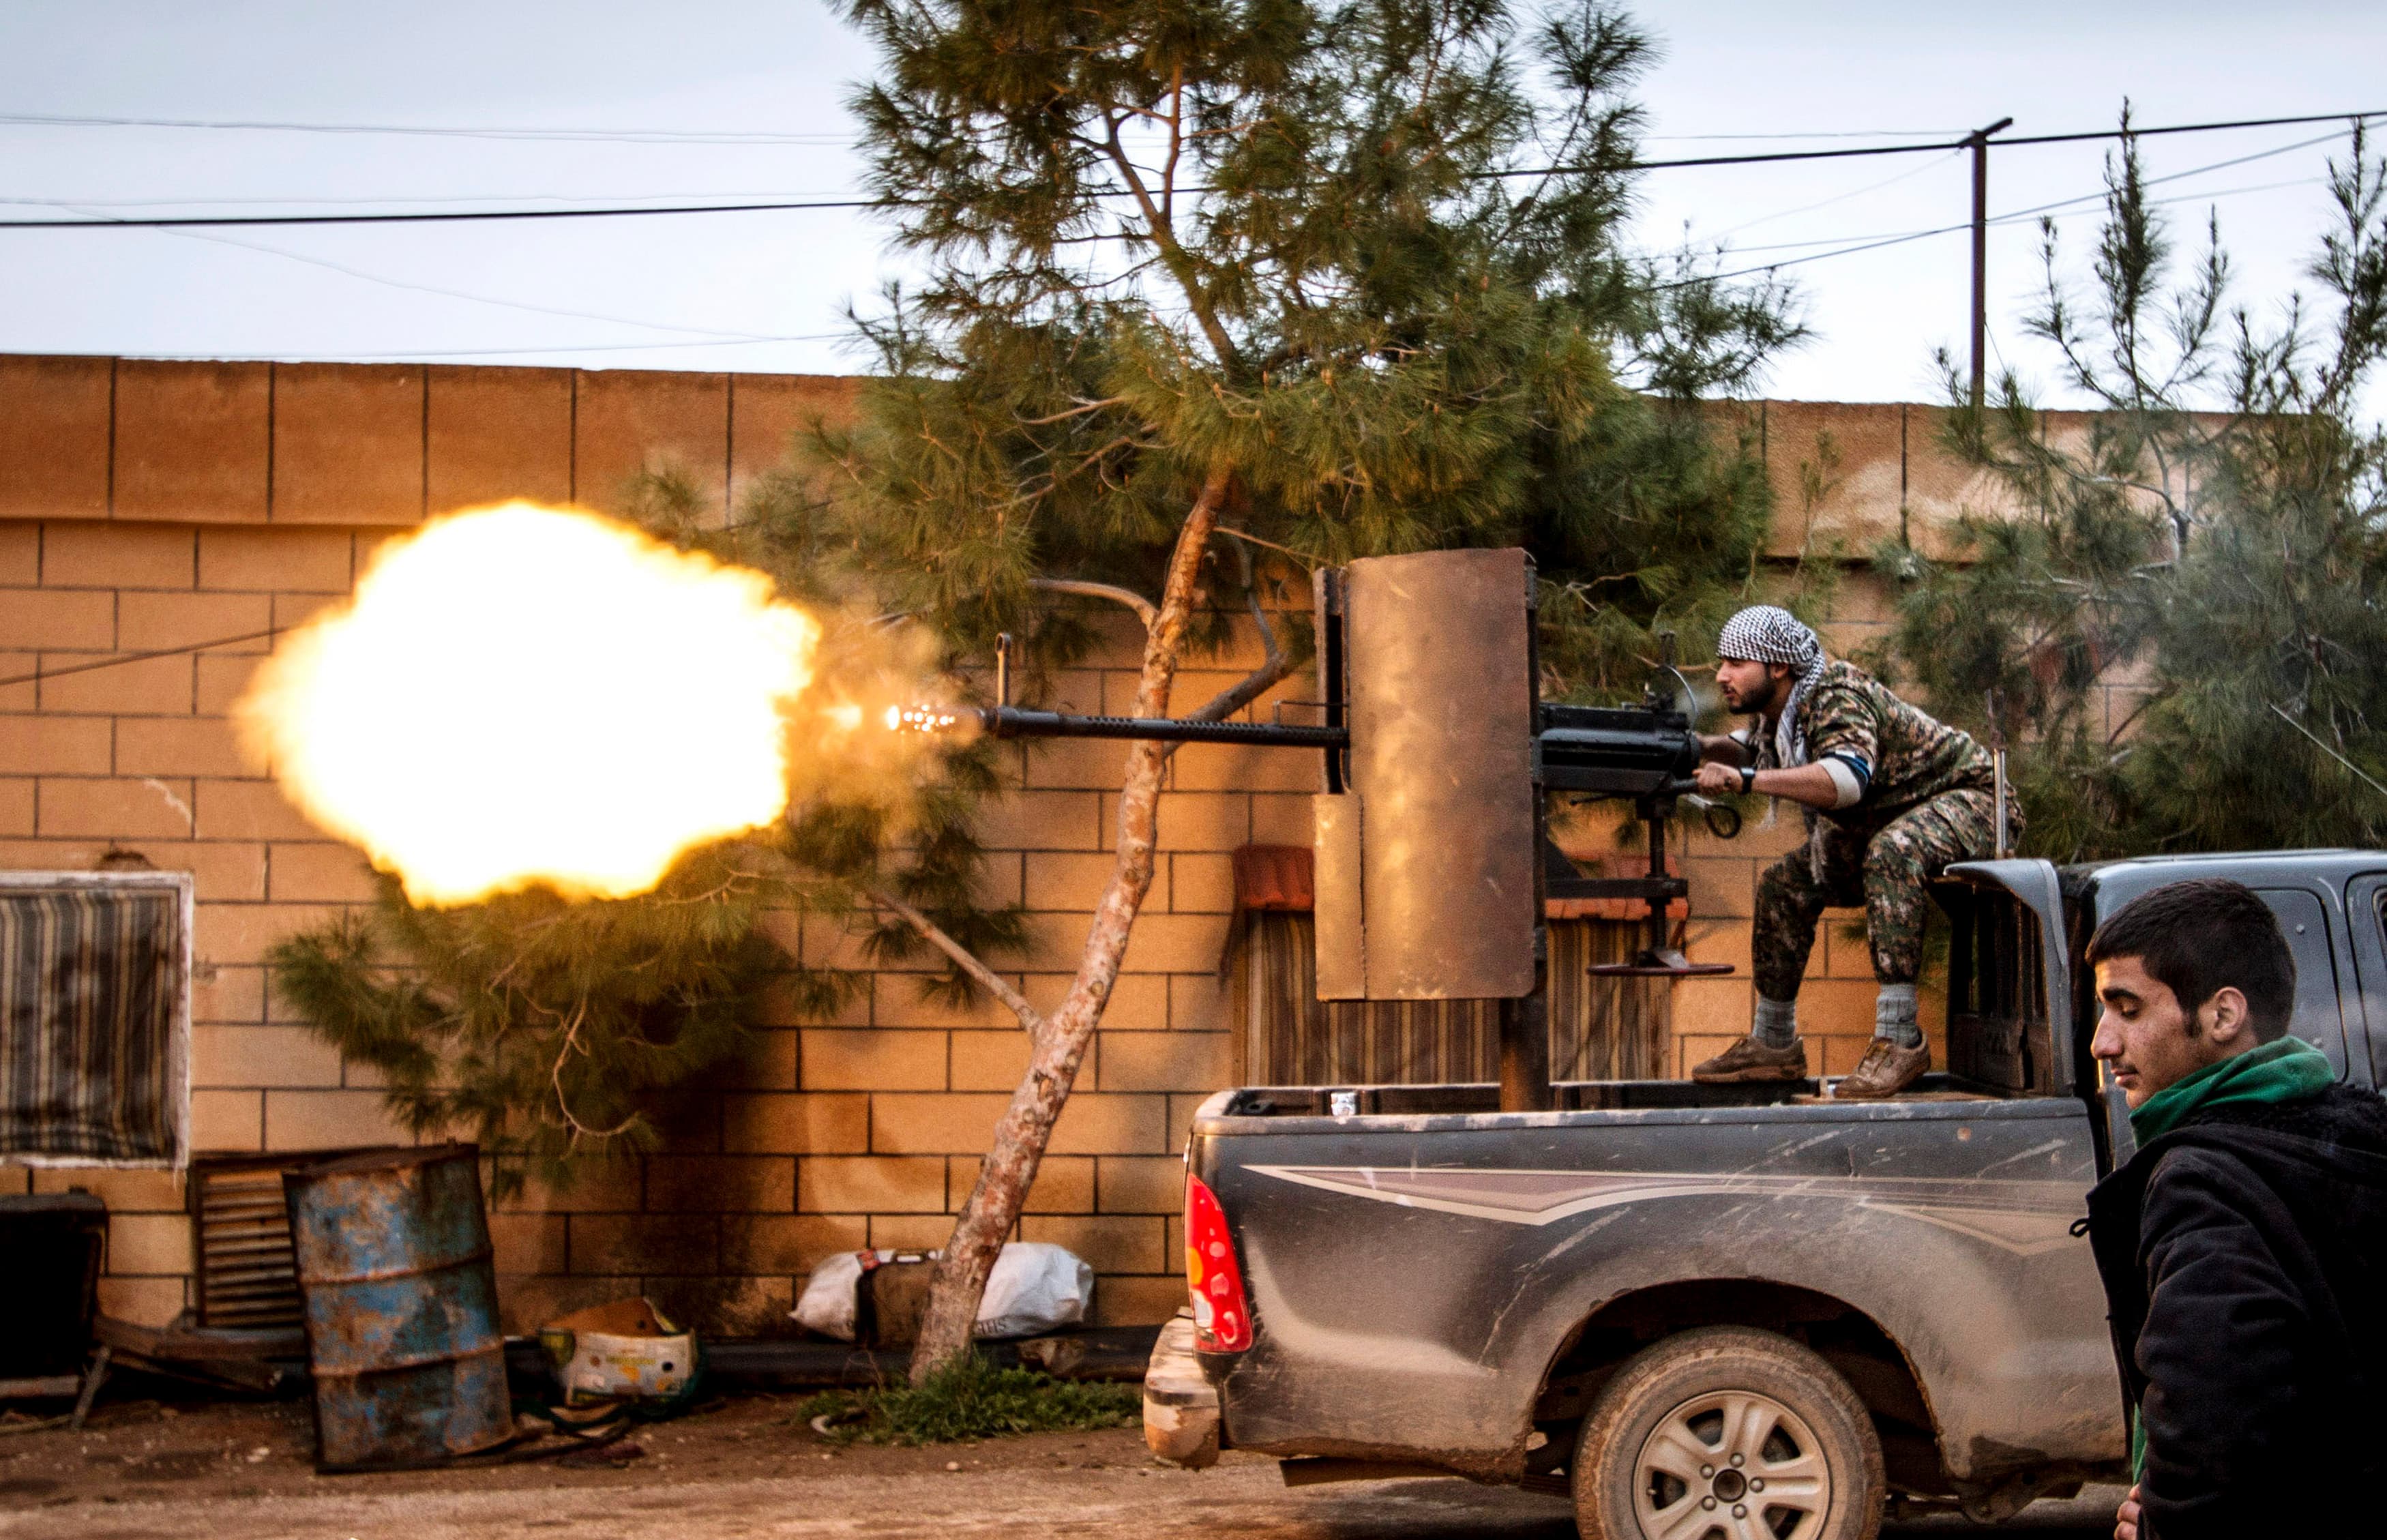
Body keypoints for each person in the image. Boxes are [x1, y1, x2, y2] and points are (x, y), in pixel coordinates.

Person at [2080, 877, 2387, 1540]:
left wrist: (2167, 1519)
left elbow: (2209, 1421)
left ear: (2221, 1015)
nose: (2100, 1044)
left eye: (2125, 1008)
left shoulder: (2204, 1183)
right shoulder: (2357, 1130)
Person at [1687, 605, 2004, 1099]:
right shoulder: (1781, 715)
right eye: (1721, 663)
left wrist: (1746, 781)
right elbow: (1744, 748)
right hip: (1891, 817)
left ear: (1778, 667)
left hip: (1973, 800)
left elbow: (1846, 779)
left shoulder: (1835, 694)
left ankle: (1901, 1039)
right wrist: (1687, 749)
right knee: (1784, 884)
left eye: (1736, 662)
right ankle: (1774, 1046)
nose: (1721, 675)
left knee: (1893, 853)